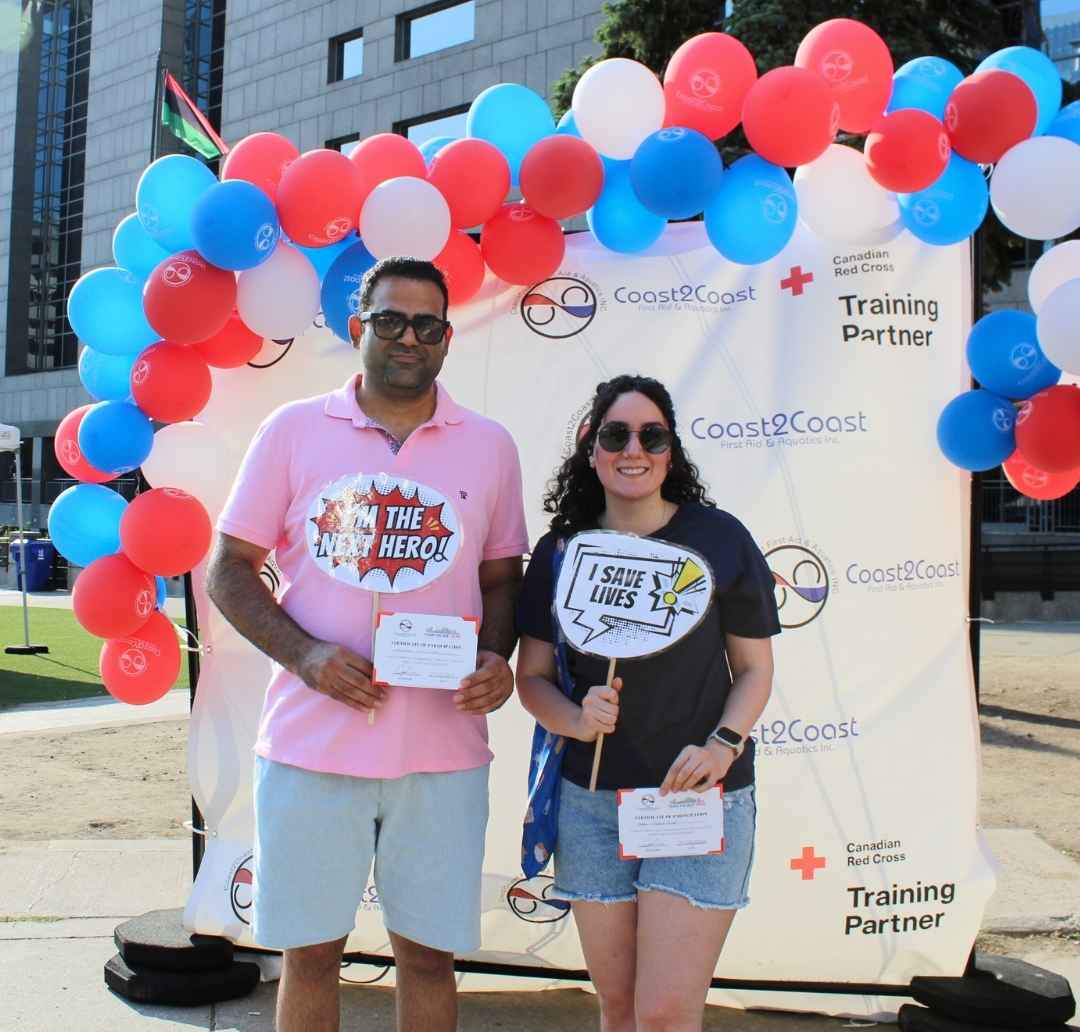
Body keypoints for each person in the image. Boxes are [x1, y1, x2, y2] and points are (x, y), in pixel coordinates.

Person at [206, 257, 528, 1032]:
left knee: (430, 959)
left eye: (425, 324)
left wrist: (496, 657)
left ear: (446, 339)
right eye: (389, 320)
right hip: (311, 749)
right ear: (357, 328)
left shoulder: (489, 445)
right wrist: (306, 656)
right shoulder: (292, 431)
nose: (408, 337)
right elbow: (227, 571)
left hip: (443, 753)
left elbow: (501, 580)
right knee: (311, 957)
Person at [515, 374, 778, 1032]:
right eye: (616, 434)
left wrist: (723, 745)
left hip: (693, 799)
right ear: (592, 450)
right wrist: (576, 719)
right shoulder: (560, 553)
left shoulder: (719, 539)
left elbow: (754, 670)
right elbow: (532, 678)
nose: (633, 449)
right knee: (620, 1009)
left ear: (670, 451)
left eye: (651, 436)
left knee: (663, 1014)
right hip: (591, 807)